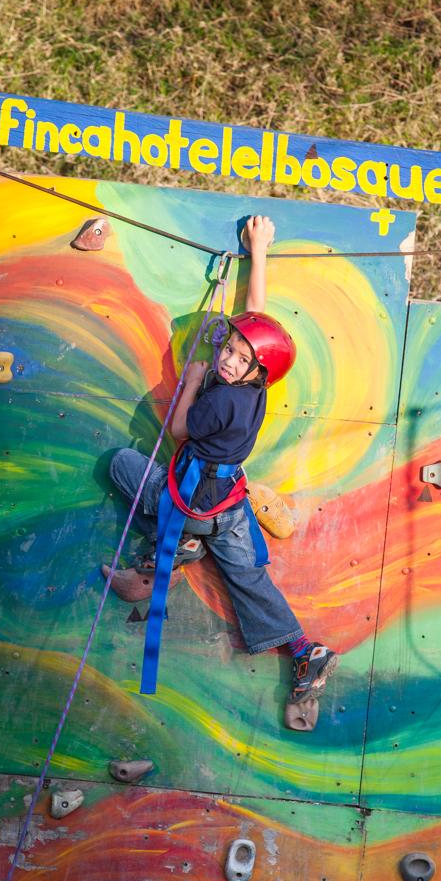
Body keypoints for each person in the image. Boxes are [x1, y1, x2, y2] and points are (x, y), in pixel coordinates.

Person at [106, 215, 338, 730]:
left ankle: (179, 542)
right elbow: (255, 316)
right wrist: (259, 250)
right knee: (246, 578)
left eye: (237, 358)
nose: (229, 361)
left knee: (124, 467)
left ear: (255, 372)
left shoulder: (220, 403)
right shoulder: (257, 383)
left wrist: (191, 380)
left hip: (193, 501)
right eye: (228, 350)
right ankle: (303, 649)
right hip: (229, 506)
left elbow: (182, 431)